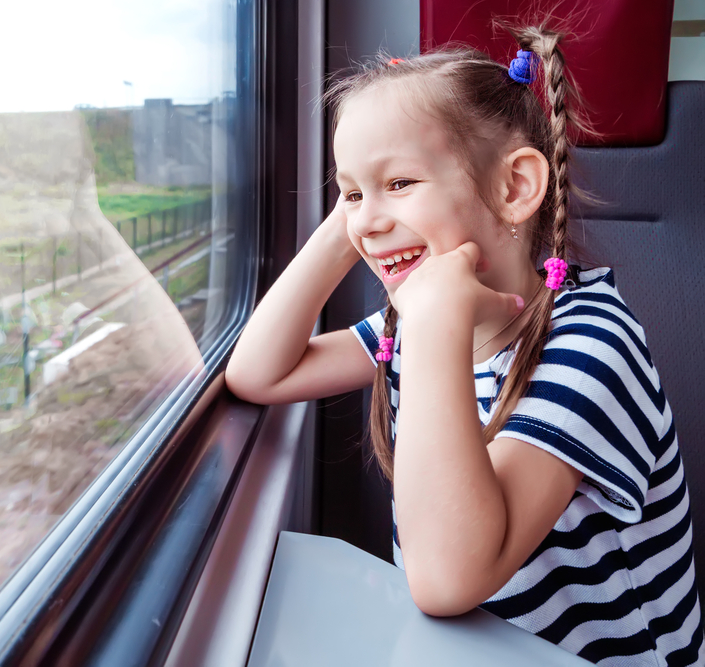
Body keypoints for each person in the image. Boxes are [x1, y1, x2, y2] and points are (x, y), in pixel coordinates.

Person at [225, 23, 704, 666]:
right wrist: (354, 222)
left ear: (513, 189)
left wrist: (431, 331)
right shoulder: (414, 326)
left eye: (400, 184)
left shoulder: (591, 348)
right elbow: (260, 373)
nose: (367, 217)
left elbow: (447, 580)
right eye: (350, 192)